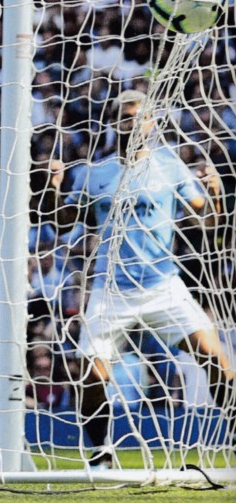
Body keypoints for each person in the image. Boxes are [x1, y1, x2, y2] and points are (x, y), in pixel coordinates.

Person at [50, 90, 235, 468]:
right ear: (115, 123)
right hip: (111, 288)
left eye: (139, 117)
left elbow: (209, 221)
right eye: (126, 117)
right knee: (88, 376)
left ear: (151, 123)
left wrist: (215, 193)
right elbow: (64, 220)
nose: (132, 123)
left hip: (162, 285)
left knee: (216, 358)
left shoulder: (169, 166)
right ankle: (101, 452)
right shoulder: (95, 173)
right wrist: (54, 187)